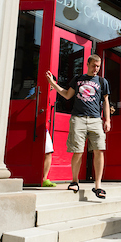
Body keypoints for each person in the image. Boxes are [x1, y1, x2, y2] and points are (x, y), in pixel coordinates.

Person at [45, 54, 111, 199]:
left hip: (95, 120)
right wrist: (52, 83)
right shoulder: (78, 79)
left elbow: (105, 101)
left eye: (98, 66)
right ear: (87, 64)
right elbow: (67, 95)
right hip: (78, 119)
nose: (96, 69)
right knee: (78, 151)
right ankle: (74, 180)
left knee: (99, 150)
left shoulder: (102, 81)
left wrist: (108, 120)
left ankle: (98, 185)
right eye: (94, 65)